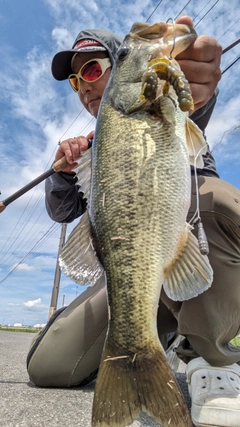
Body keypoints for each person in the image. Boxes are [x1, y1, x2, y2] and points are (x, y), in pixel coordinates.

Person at [26, 15, 240, 427]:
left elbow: (195, 102)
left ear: (119, 65)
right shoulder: (93, 147)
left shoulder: (169, 104)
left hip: (187, 251)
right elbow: (62, 212)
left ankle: (210, 357)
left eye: (91, 68)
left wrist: (196, 79)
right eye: (75, 81)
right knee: (49, 366)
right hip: (132, 279)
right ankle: (148, 344)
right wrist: (62, 173)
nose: (84, 85)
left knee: (214, 199)